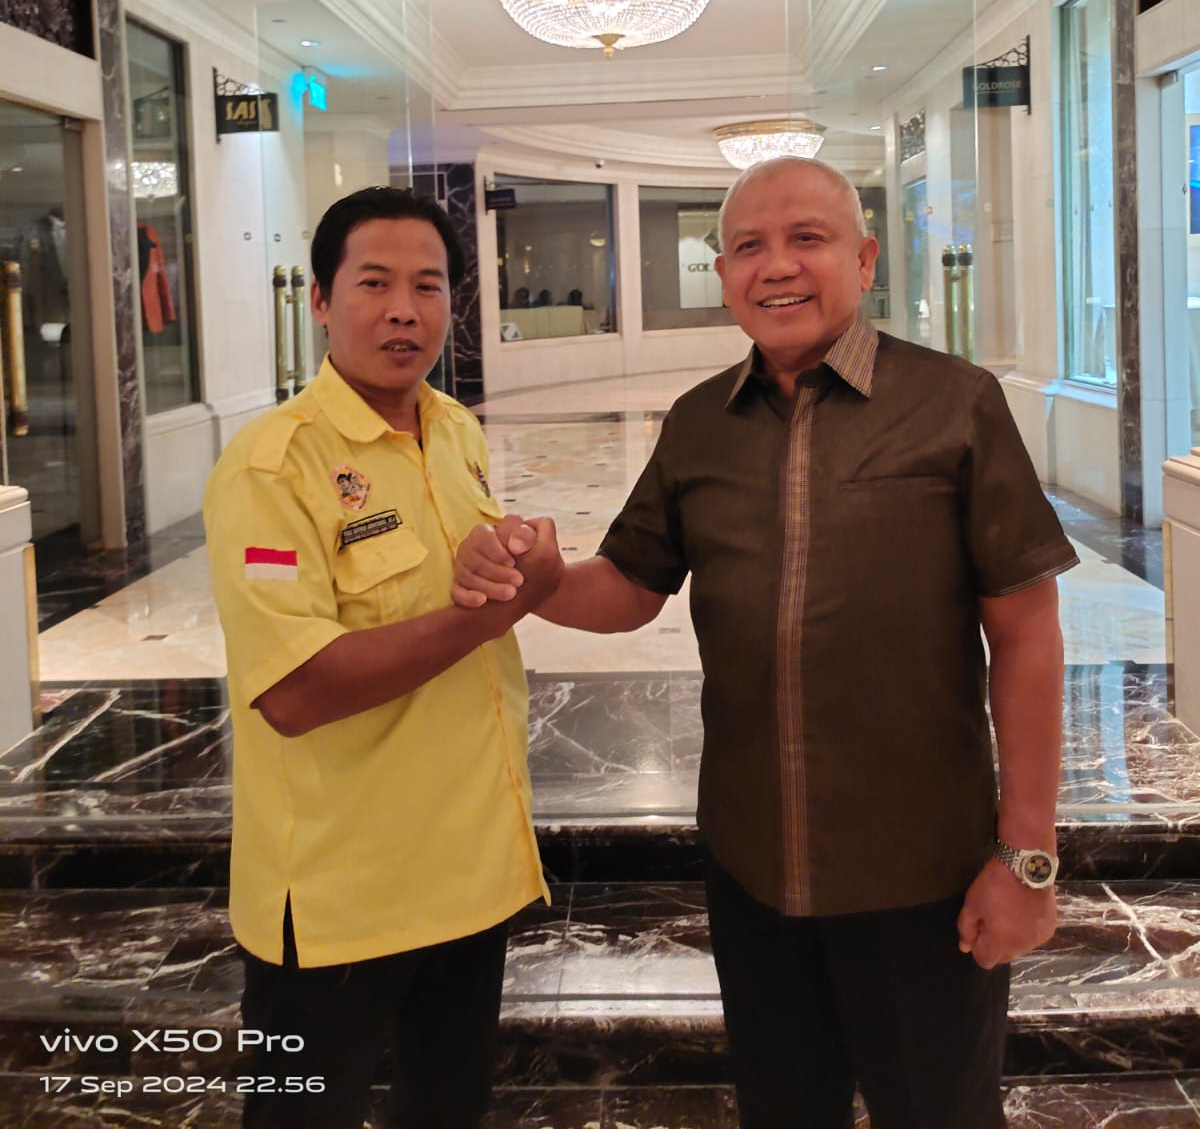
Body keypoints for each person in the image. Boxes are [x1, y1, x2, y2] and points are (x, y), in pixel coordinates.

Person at [451, 156, 1077, 1129]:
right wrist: (544, 583)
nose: (776, 265)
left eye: (806, 238)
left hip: (922, 873)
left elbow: (1027, 632)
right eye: (748, 245)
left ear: (864, 260)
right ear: (725, 273)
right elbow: (631, 586)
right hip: (754, 871)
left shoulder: (954, 404)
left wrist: (1027, 854)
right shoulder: (701, 424)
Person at [205, 186, 548, 1129]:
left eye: (428, 287)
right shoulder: (272, 467)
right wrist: (486, 618)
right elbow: (295, 691)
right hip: (337, 901)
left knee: (448, 1109)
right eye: (374, 284)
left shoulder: (456, 431)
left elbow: (469, 586)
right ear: (320, 300)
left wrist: (520, 560)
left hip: (468, 876)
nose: (404, 310)